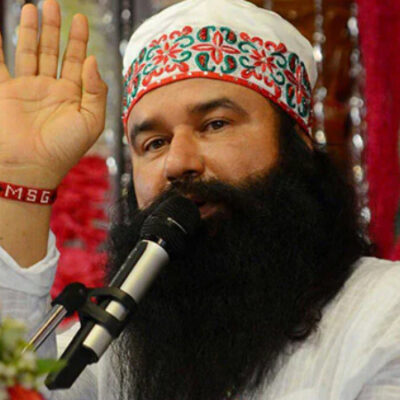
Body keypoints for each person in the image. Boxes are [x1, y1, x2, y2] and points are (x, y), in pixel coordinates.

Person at [0, 0, 399, 399]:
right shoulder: (106, 353)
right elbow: (22, 384)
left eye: (215, 124)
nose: (178, 163)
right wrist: (23, 185)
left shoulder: (384, 315)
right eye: (155, 143)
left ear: (296, 142)